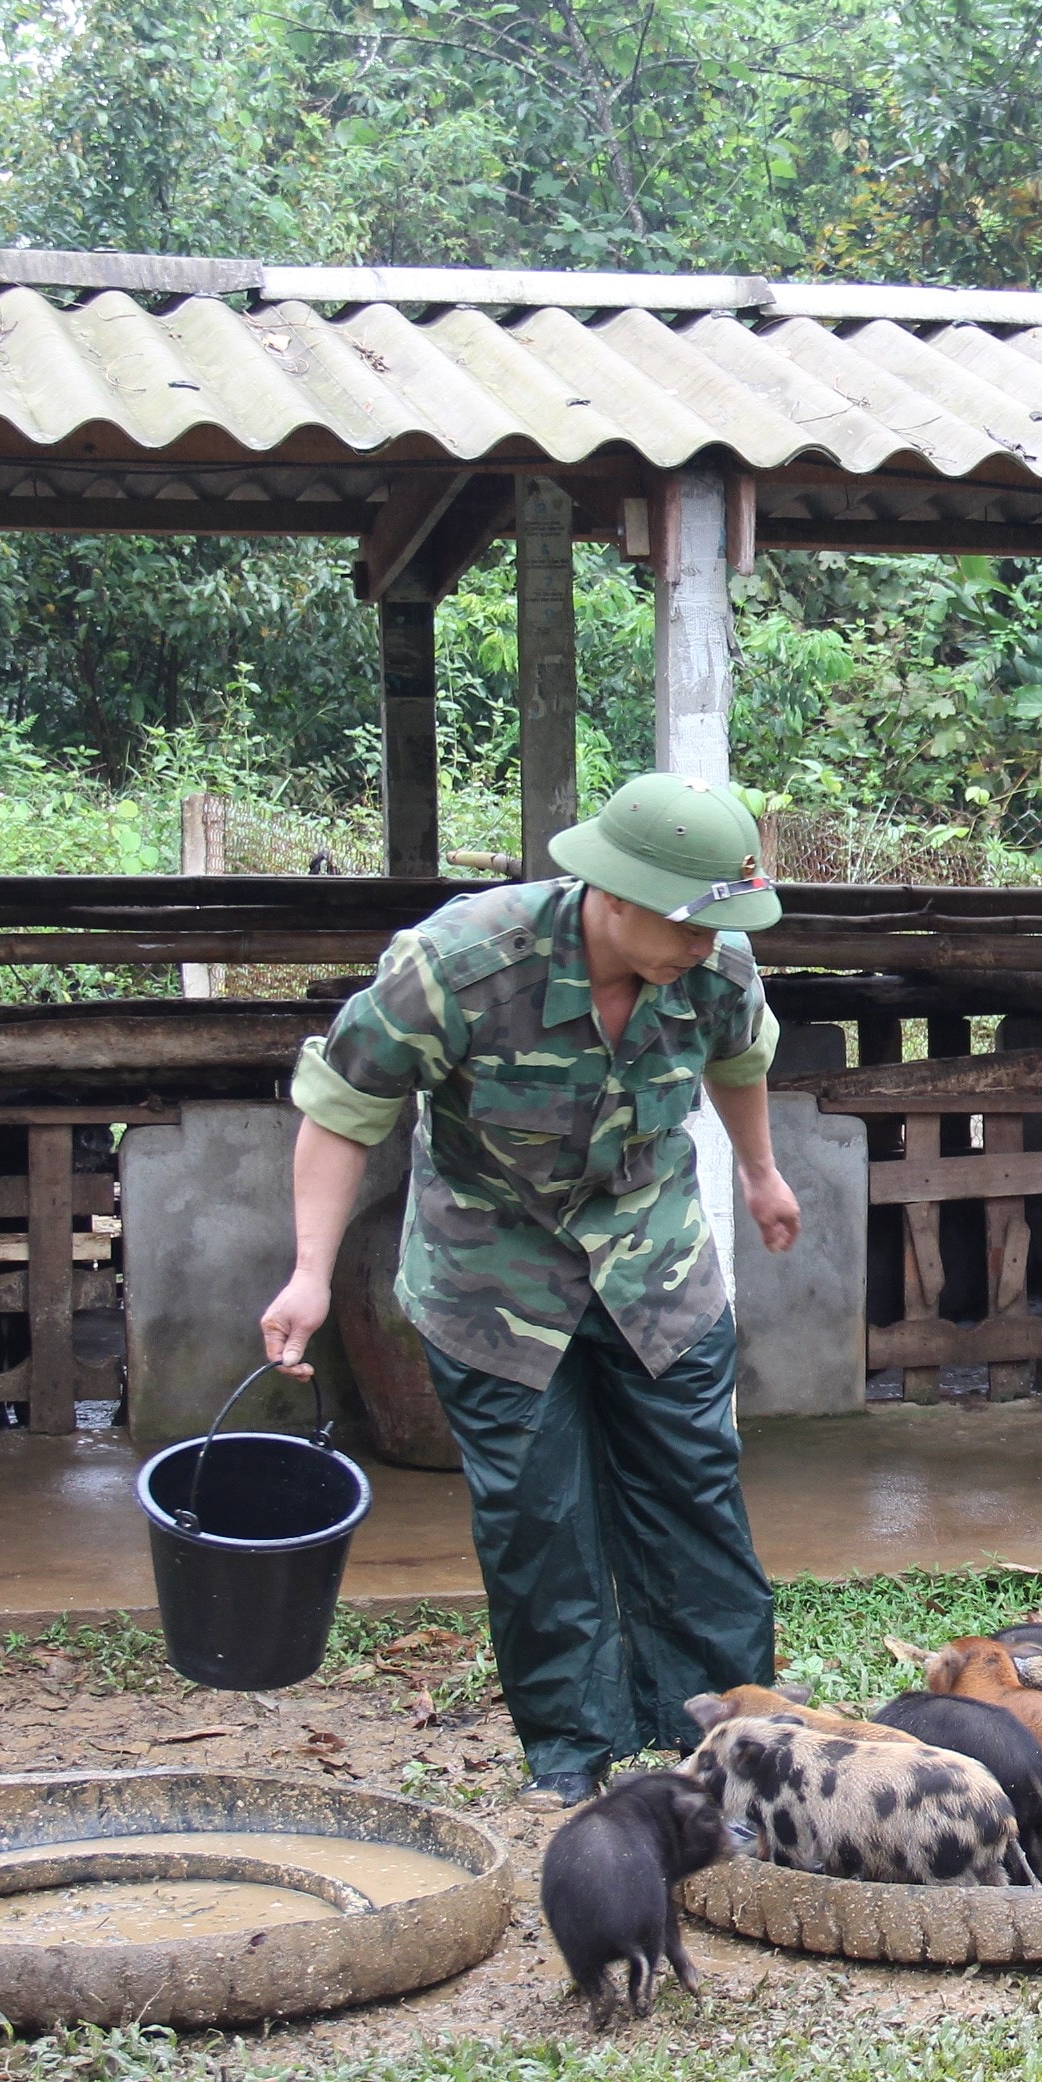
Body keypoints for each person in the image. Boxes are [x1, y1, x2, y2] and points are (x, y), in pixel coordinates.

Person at [257, 773, 803, 1808]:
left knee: (695, 1499)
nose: (712, 944)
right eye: (695, 924)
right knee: (537, 1520)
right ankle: (570, 1753)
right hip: (492, 1275)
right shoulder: (459, 964)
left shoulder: (715, 962)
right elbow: (342, 1106)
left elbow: (742, 1056)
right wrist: (309, 1273)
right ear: (617, 895)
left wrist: (760, 1170)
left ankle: (729, 1740)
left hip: (656, 1262)